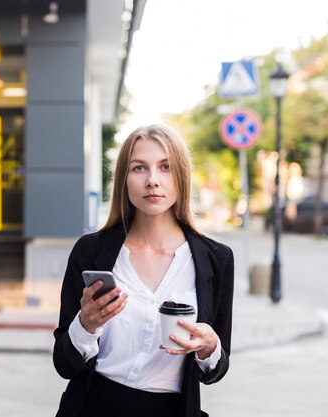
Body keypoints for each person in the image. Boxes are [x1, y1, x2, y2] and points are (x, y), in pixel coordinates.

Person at [53, 124, 234, 417]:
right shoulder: (90, 251)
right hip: (93, 406)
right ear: (124, 179)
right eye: (139, 168)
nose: (153, 180)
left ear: (182, 177)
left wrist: (210, 346)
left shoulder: (217, 259)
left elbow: (214, 371)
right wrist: (85, 324)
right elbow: (63, 364)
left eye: (165, 167)